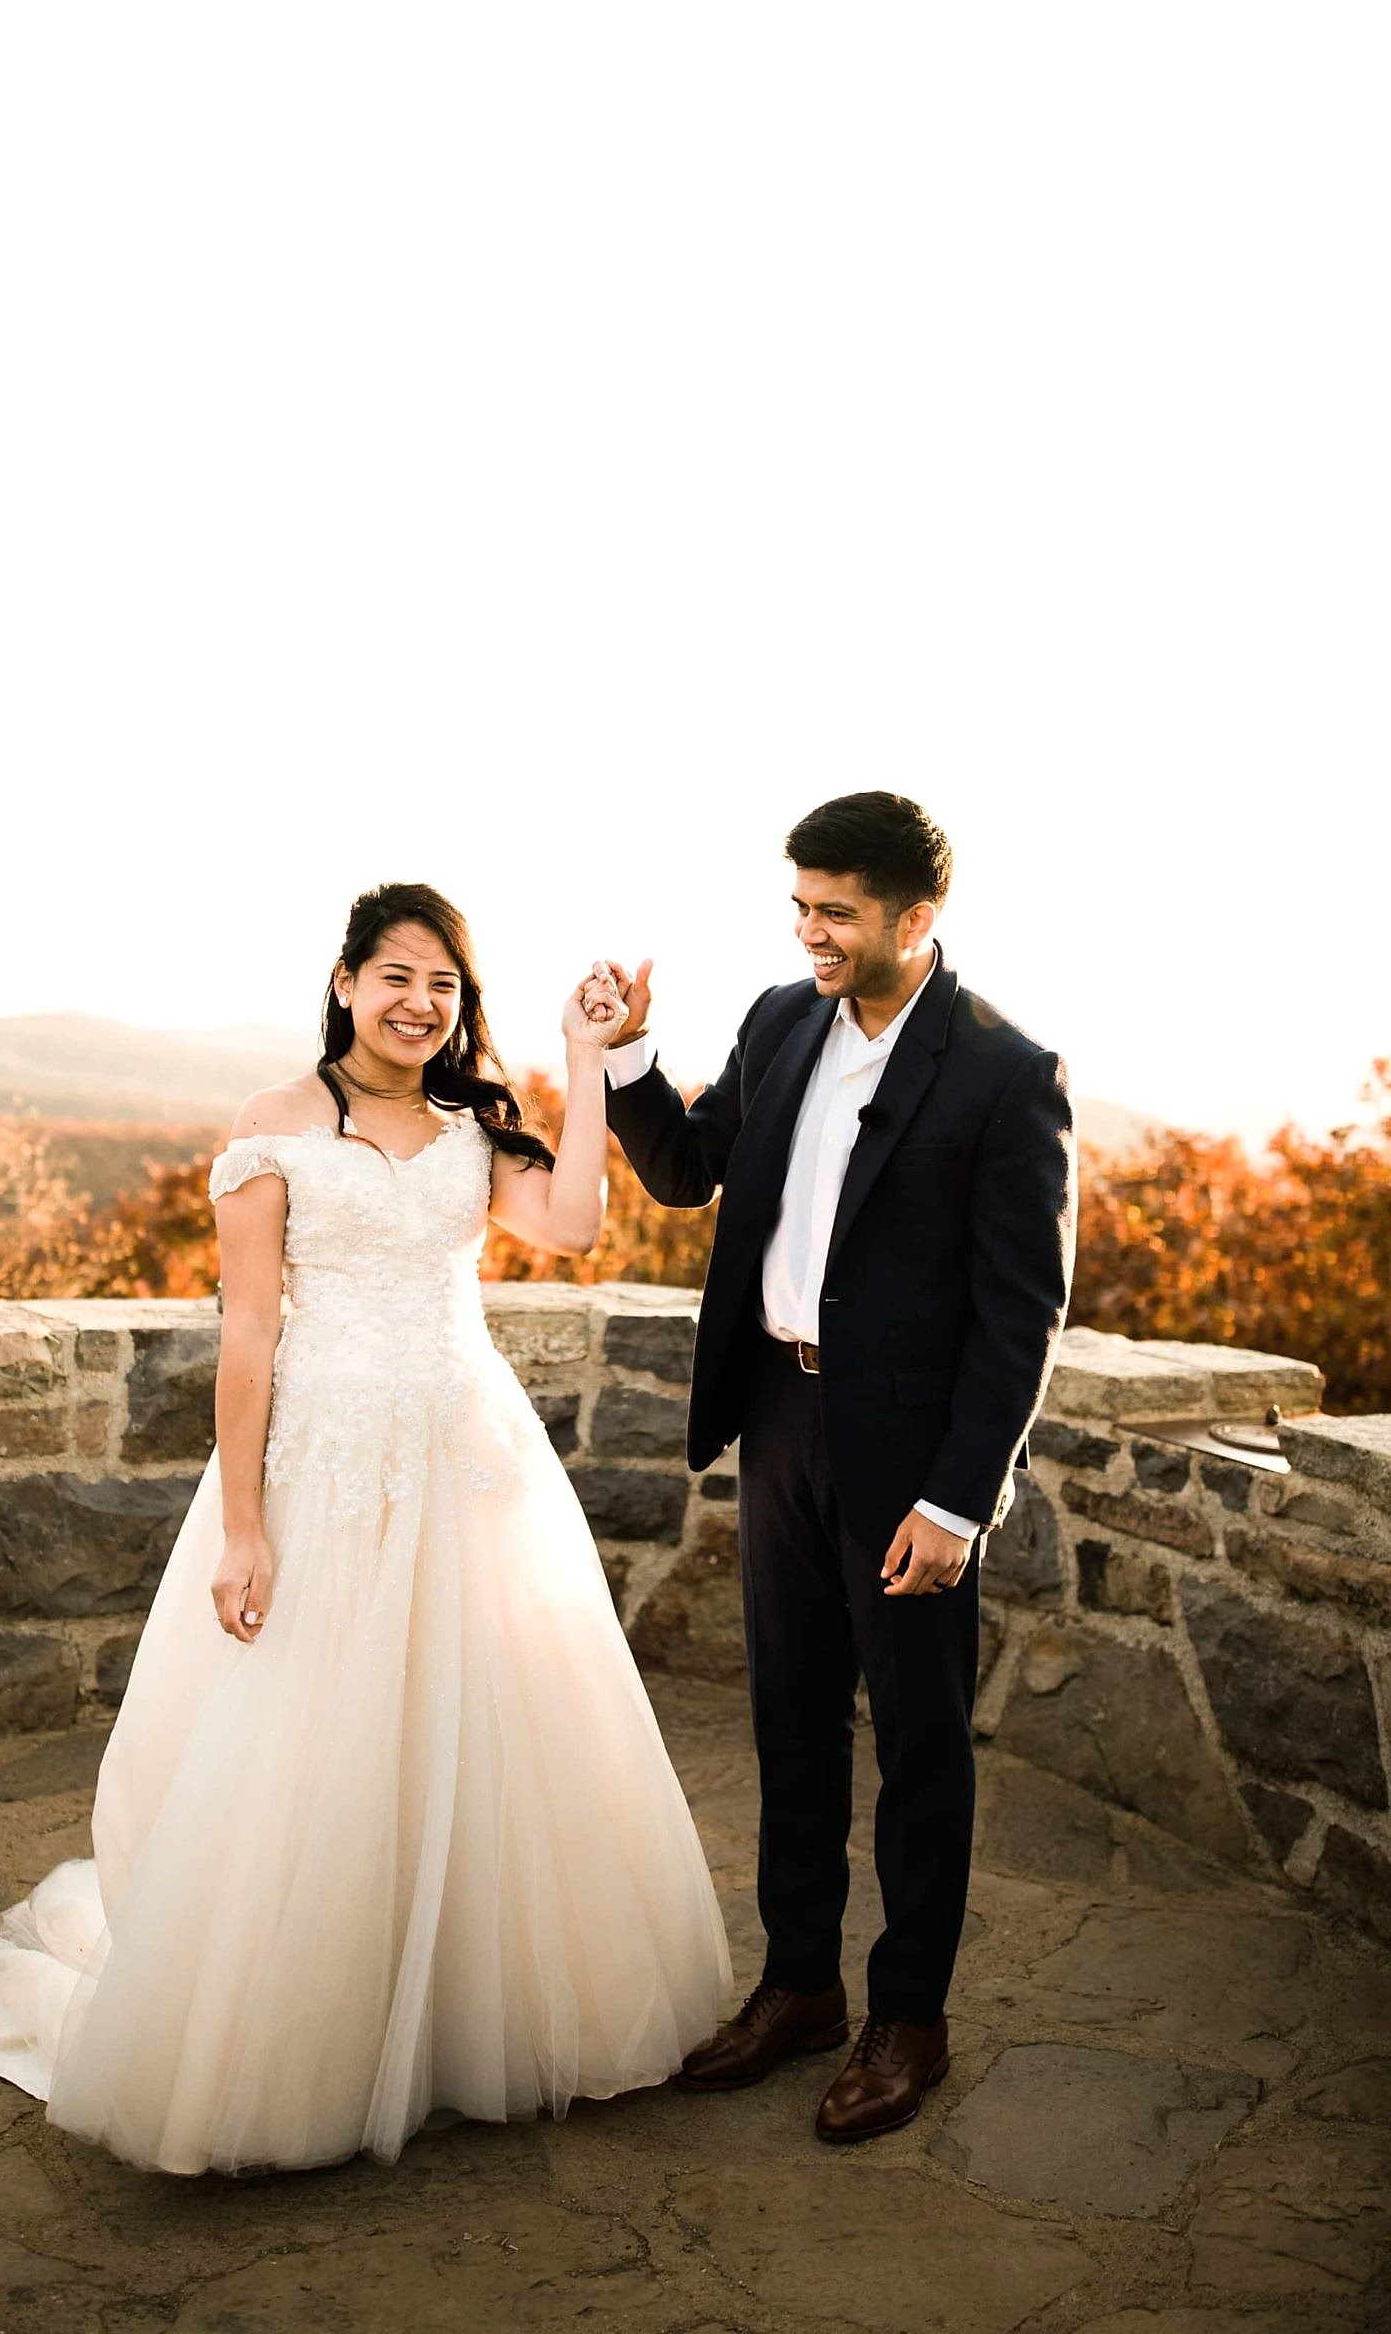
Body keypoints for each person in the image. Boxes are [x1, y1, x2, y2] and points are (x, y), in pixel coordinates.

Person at [0, 881, 729, 2174]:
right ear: (343, 982)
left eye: (442, 985)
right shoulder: (273, 1129)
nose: (419, 1004)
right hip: (322, 1471)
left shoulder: (468, 1124)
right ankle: (309, 2036)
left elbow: (578, 1223)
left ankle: (447, 2019)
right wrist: (244, 1528)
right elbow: (249, 1335)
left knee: (477, 1732)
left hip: (465, 1461)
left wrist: (585, 1064)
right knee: (317, 1747)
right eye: (396, 978)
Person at [593, 792, 1074, 2141]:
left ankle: (904, 2018)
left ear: (915, 920)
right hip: (780, 1428)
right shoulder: (777, 1020)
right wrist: (630, 1059)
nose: (808, 932)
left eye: (835, 913)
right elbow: (690, 1172)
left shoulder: (1003, 1072)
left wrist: (955, 1499)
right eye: (797, 906)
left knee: (920, 1748)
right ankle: (796, 1985)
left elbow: (1018, 1310)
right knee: (790, 1724)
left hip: (910, 1465)